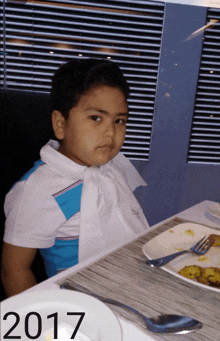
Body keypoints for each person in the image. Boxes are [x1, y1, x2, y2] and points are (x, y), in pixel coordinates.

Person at [1, 59, 149, 297]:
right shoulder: (38, 189)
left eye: (119, 121)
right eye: (96, 118)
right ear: (61, 124)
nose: (111, 132)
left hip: (132, 285)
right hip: (79, 302)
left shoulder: (111, 170)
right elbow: (14, 271)